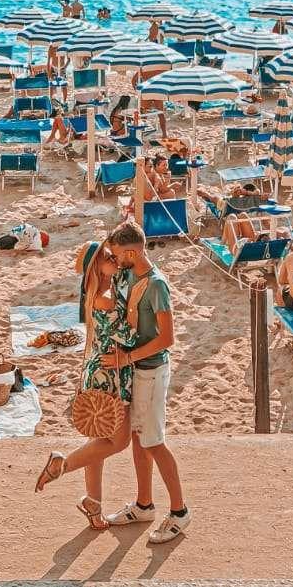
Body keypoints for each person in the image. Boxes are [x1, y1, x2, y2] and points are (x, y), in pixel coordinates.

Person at [33, 239, 137, 527]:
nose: (113, 258)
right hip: (111, 371)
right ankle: (61, 466)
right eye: (107, 256)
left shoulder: (99, 290)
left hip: (101, 368)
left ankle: (93, 503)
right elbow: (127, 336)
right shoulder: (105, 295)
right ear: (97, 266)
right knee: (119, 440)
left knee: (100, 438)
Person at [103, 220, 191, 543]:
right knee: (140, 439)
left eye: (119, 255)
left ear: (132, 252)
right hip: (138, 369)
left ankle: (180, 512)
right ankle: (144, 504)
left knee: (153, 440)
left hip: (152, 369)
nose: (116, 260)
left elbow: (167, 338)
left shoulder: (156, 284)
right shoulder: (130, 274)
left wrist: (127, 357)